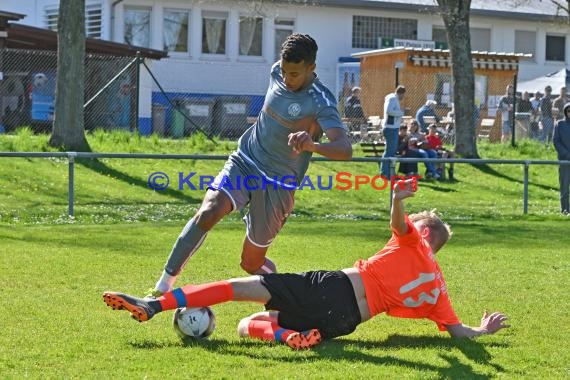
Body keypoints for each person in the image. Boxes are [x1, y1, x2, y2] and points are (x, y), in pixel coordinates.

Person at [103, 179, 510, 350]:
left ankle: (154, 305)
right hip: (344, 322)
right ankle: (285, 336)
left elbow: (397, 222)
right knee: (249, 327)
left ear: (423, 234)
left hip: (331, 287)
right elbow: (457, 333)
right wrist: (483, 330)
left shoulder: (413, 242)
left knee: (234, 289)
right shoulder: (437, 287)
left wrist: (400, 199)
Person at [146, 34, 352, 297]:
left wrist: (313, 146)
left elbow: (345, 149)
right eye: (285, 71)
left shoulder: (321, 100)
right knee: (208, 212)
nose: (287, 79)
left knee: (250, 263)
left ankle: (288, 296)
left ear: (311, 68)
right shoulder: (277, 72)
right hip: (246, 161)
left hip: (278, 184)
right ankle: (161, 288)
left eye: (295, 74)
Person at [381, 85, 406, 178]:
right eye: (403, 95)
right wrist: (400, 113)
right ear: (401, 93)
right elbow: (389, 111)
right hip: (390, 128)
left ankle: (386, 172)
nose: (403, 97)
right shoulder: (392, 98)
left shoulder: (393, 98)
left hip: (392, 127)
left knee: (390, 151)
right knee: (390, 152)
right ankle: (386, 173)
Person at [553, 103, 570, 214]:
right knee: (564, 187)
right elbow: (556, 141)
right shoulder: (559, 124)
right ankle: (565, 210)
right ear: (565, 112)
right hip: (564, 161)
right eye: (569, 111)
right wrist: (567, 154)